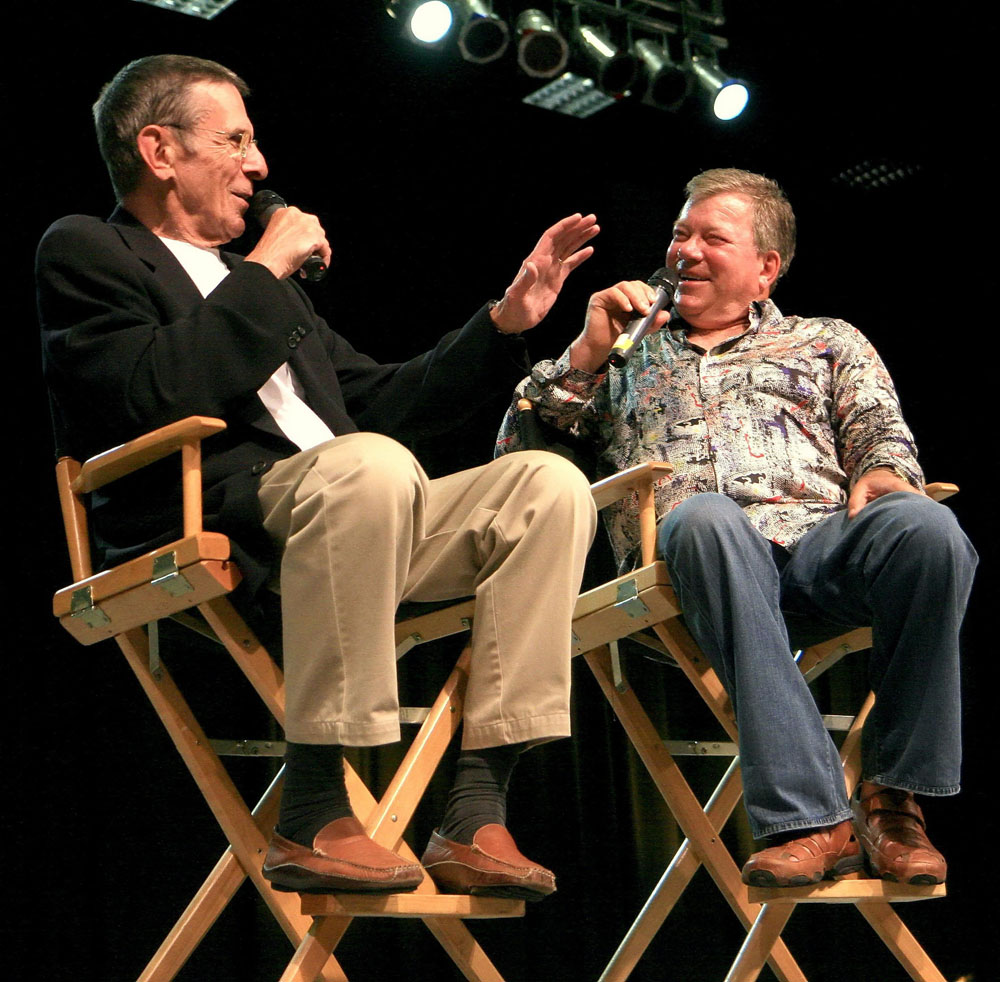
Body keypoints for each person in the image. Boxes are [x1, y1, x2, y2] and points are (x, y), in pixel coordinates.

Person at [38, 54, 600, 900]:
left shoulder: (259, 286)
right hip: (218, 517)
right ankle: (313, 806)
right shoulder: (90, 248)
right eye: (234, 140)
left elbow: (381, 401)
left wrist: (504, 321)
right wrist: (266, 270)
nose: (259, 166)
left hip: (356, 508)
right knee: (368, 468)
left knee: (545, 486)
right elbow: (153, 391)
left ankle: (476, 805)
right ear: (159, 151)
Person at [498, 168, 978, 887]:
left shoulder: (827, 340)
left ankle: (894, 800)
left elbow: (880, 429)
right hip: (689, 573)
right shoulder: (629, 354)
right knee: (708, 520)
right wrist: (588, 352)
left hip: (820, 554)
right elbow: (515, 457)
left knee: (930, 529)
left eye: (711, 237)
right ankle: (812, 819)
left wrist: (887, 475)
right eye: (679, 233)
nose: (685, 250)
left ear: (764, 270)